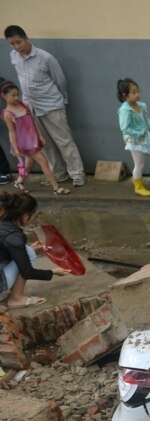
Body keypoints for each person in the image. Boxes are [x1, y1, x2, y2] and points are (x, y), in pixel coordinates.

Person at [4, 25, 85, 187]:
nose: (16, 47)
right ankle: (58, 174)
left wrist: (62, 100)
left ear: (27, 39)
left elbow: (60, 80)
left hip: (51, 105)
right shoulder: (14, 56)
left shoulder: (45, 58)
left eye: (19, 42)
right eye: (12, 44)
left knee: (64, 141)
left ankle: (77, 174)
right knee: (44, 144)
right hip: (30, 108)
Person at [0, 191, 70, 310]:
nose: (34, 218)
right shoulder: (14, 236)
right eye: (34, 215)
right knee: (29, 253)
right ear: (25, 215)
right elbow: (27, 271)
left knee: (27, 249)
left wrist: (26, 247)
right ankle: (16, 298)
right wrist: (53, 272)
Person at [1, 82, 69, 195]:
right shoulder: (7, 114)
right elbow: (11, 132)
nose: (16, 97)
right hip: (23, 143)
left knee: (30, 164)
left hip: (33, 140)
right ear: (4, 96)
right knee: (43, 161)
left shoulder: (23, 105)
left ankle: (19, 182)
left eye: (17, 94)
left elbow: (32, 122)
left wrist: (40, 135)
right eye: (13, 95)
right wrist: (15, 148)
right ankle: (56, 187)